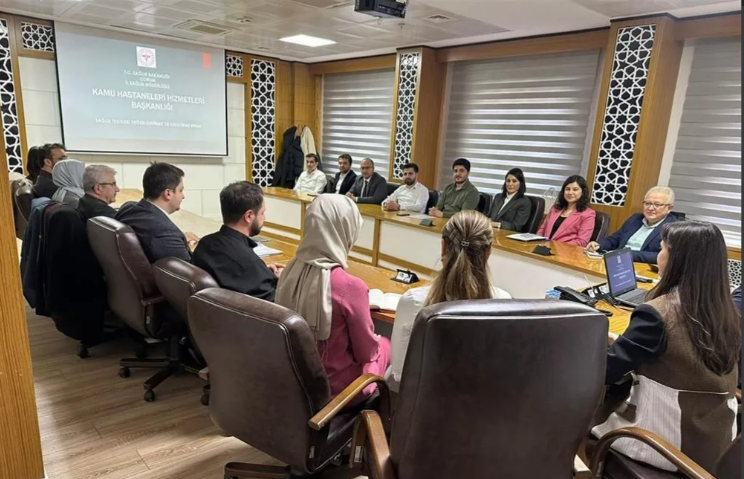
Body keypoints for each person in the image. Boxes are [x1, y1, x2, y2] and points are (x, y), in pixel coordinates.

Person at [592, 221, 740, 472]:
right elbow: (681, 358)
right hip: (714, 442)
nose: (659, 255)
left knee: (576, 411)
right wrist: (625, 343)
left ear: (677, 260)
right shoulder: (726, 311)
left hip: (665, 442)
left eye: (662, 249)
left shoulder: (657, 314)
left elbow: (606, 372)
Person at [275, 195, 390, 403]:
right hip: (335, 393)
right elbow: (366, 353)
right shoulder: (350, 286)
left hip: (292, 382)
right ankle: (384, 418)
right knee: (385, 345)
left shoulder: (288, 271)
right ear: (346, 230)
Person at [388, 210, 511, 390]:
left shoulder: (413, 301)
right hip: (481, 405)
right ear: (488, 253)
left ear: (443, 247)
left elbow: (399, 373)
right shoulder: (504, 302)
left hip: (422, 407)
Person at [193, 182, 283, 301]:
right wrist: (283, 281)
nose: (264, 218)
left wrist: (264, 272)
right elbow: (274, 305)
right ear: (249, 216)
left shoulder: (204, 243)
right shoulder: (248, 263)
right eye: (262, 213)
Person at [115, 162, 198, 263]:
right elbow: (188, 270)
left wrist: (180, 240)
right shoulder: (165, 233)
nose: (183, 196)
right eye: (180, 190)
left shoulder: (128, 208)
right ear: (168, 193)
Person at [586, 186, 677, 263]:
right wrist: (599, 245)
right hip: (618, 262)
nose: (650, 208)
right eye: (647, 203)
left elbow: (664, 256)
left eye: (657, 204)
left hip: (643, 268)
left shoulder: (673, 228)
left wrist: (627, 254)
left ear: (669, 208)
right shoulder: (635, 219)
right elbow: (615, 239)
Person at [537, 175, 595, 247]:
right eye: (567, 189)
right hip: (544, 248)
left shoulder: (588, 214)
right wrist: (538, 242)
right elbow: (542, 230)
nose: (570, 192)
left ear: (583, 192)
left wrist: (554, 246)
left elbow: (581, 241)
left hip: (566, 251)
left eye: (575, 189)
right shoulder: (555, 209)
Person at [490, 168, 532, 232]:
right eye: (508, 181)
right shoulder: (498, 197)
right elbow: (489, 215)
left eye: (514, 181)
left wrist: (496, 224)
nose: (510, 184)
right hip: (491, 231)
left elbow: (516, 227)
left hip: (506, 234)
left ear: (520, 183)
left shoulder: (524, 202)